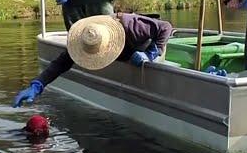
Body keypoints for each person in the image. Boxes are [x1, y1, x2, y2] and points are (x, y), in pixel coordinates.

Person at [13, 13, 173, 107]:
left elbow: (165, 27)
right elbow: (60, 64)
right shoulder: (86, 38)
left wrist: (152, 53)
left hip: (148, 52)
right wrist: (37, 85)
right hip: (128, 58)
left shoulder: (132, 26)